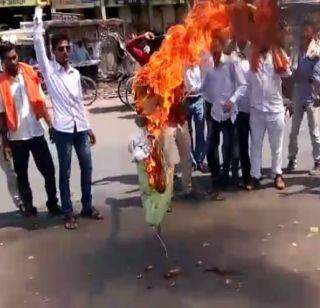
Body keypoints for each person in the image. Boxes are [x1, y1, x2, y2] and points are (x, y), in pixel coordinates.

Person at [34, 4, 103, 229]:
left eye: (67, 48)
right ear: (53, 52)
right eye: (61, 49)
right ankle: (67, 211)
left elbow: (79, 104)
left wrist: (89, 127)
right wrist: (37, 11)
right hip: (62, 129)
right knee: (64, 172)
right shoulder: (49, 71)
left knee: (87, 167)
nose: (65, 51)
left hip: (80, 128)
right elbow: (37, 42)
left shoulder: (75, 74)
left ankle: (87, 205)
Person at [0, 41, 61, 216]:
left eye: (14, 57)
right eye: (8, 59)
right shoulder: (1, 83)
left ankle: (52, 202)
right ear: (3, 62)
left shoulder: (29, 73)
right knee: (22, 176)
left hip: (36, 132)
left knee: (49, 170)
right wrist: (5, 144)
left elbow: (40, 102)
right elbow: (2, 115)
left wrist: (51, 126)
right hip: (16, 138)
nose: (13, 61)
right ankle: (28, 206)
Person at [201, 35, 247, 189]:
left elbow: (242, 85)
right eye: (211, 50)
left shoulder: (232, 62)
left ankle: (228, 178)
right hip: (215, 113)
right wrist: (191, 91)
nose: (213, 54)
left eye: (215, 51)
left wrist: (232, 100)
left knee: (229, 149)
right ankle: (216, 177)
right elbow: (203, 85)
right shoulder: (208, 65)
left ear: (221, 49)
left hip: (229, 113)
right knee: (211, 149)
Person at [248, 45, 292, 190]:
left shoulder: (278, 53)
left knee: (276, 146)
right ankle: (255, 176)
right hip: (257, 110)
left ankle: (277, 174)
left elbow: (287, 75)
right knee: (255, 145)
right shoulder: (251, 54)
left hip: (274, 109)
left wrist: (289, 102)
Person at [287, 25, 320, 175]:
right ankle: (292, 160)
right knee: (293, 131)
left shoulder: (316, 51)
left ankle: (318, 162)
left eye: (306, 33)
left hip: (312, 92)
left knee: (314, 131)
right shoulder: (295, 52)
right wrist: (289, 100)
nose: (304, 36)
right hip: (298, 92)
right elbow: (290, 74)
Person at [230, 39, 252, 190]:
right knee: (240, 146)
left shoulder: (255, 50)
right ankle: (243, 178)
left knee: (255, 146)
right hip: (239, 109)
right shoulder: (231, 53)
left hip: (256, 108)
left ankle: (253, 174)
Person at [184, 64, 207, 173]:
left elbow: (204, 80)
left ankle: (199, 160)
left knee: (200, 132)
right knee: (187, 134)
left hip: (198, 100)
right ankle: (191, 161)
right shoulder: (182, 65)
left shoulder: (199, 66)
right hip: (185, 101)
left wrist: (195, 89)